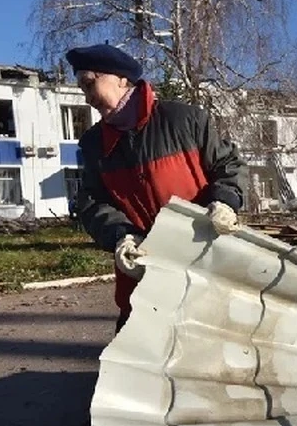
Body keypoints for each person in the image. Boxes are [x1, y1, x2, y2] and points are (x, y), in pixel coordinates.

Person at [66, 43, 247, 335]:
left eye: (90, 84)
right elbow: (92, 202)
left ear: (121, 79)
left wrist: (225, 202)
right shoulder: (93, 145)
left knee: (212, 351)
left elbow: (229, 165)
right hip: (141, 273)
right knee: (137, 363)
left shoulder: (185, 120)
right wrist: (120, 236)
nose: (88, 99)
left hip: (202, 262)